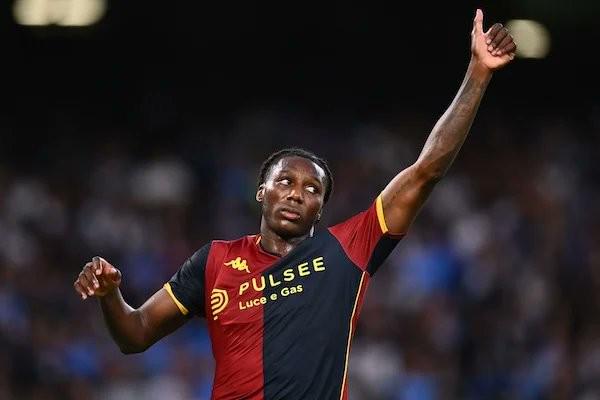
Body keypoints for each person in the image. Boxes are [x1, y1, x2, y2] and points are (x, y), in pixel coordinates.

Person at [74, 9, 516, 400]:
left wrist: (477, 74)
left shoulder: (347, 250)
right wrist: (111, 295)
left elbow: (425, 171)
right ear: (261, 192)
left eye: (311, 189)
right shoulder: (214, 262)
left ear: (320, 208)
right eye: (284, 181)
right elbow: (135, 334)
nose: (296, 192)